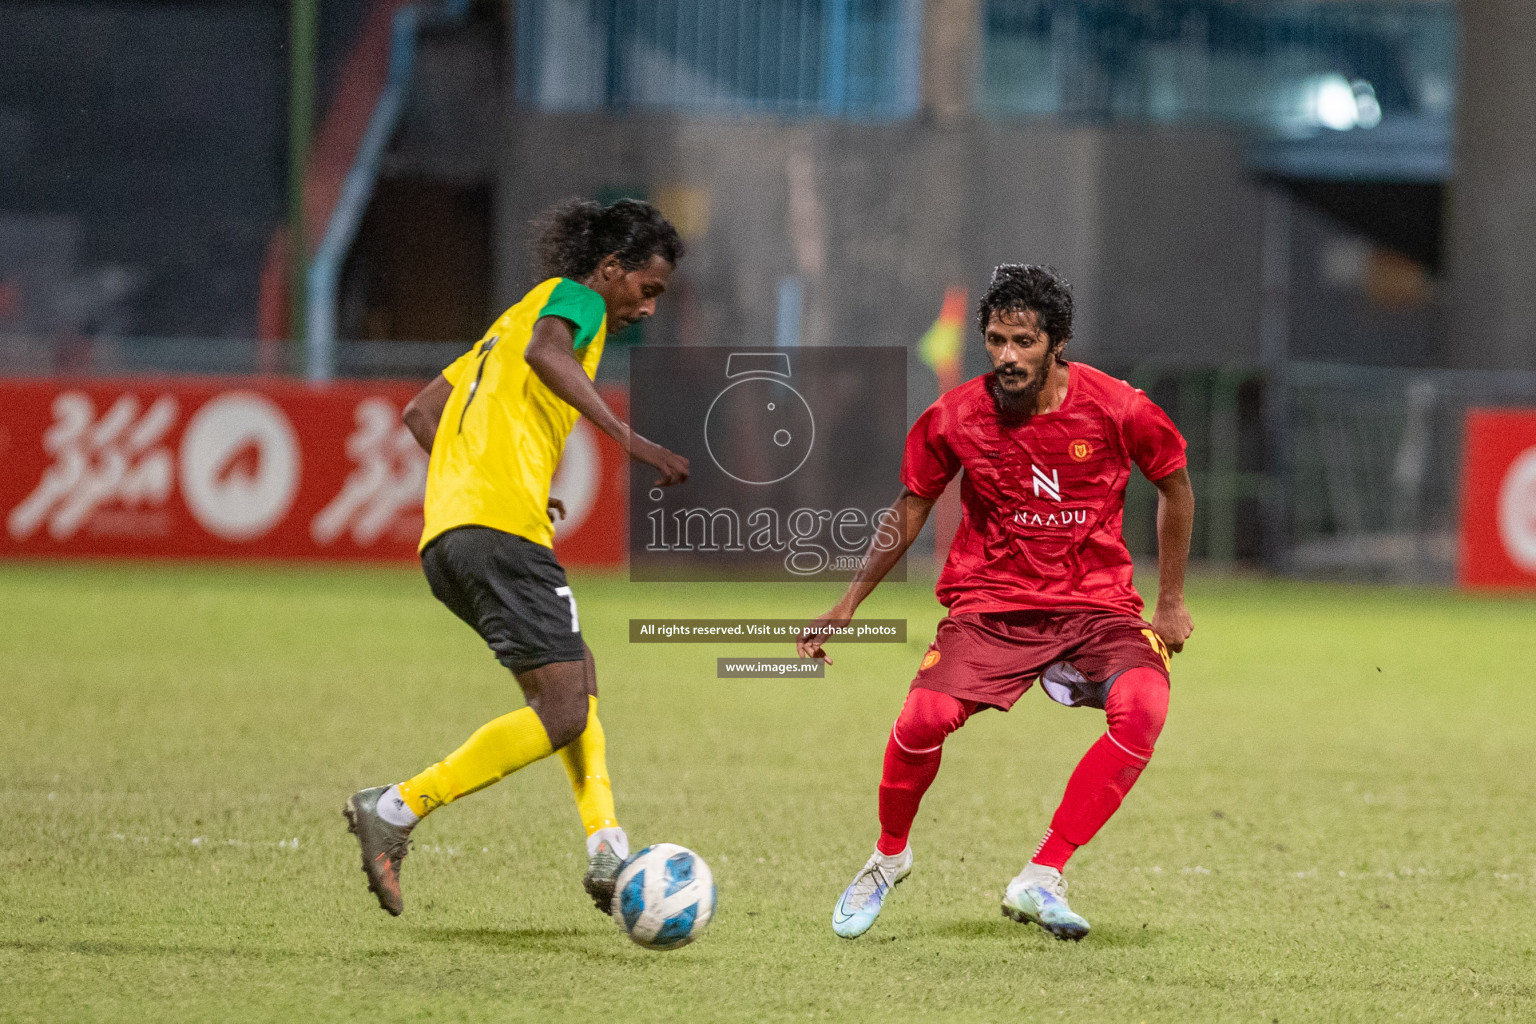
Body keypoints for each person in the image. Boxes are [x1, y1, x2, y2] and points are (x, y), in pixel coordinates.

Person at [799, 264, 1194, 941]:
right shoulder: (955, 417)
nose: (1007, 357)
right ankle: (889, 855)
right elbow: (912, 505)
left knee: (1146, 707)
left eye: (1023, 342)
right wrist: (849, 603)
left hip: (1095, 608)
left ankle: (1043, 874)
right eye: (996, 341)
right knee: (921, 720)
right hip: (991, 607)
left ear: (1057, 342)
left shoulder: (1120, 408)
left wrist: (1171, 602)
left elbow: (1176, 489)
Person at [344, 198, 690, 917]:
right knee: (563, 709)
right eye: (647, 290)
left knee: (576, 677)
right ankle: (399, 807)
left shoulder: (513, 317)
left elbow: (422, 413)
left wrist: (502, 479)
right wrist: (631, 439)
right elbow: (548, 354)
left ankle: (606, 845)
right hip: (499, 530)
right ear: (610, 268)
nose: (648, 309)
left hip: (451, 536)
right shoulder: (576, 302)